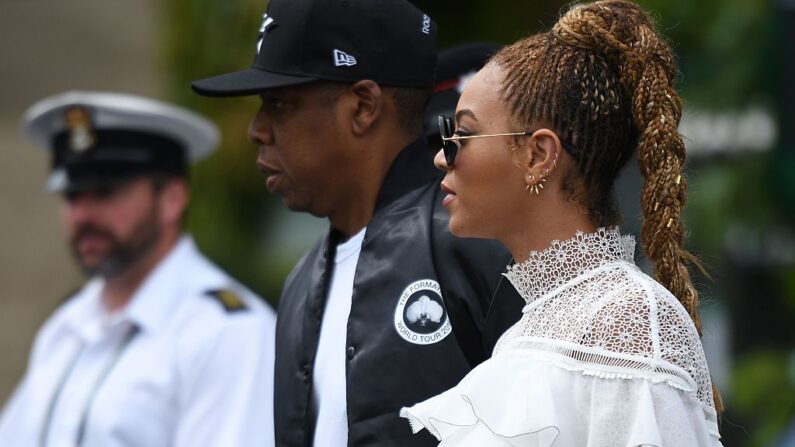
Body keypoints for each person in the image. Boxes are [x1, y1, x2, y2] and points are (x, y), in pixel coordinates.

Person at [191, 0, 517, 445]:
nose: (257, 129)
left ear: (363, 106)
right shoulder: (301, 281)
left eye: (280, 104)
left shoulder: (481, 241)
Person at [401, 1, 724, 446]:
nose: (441, 156)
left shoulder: (625, 322)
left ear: (538, 155)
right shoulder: (535, 330)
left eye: (463, 136)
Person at [0, 91, 277, 447]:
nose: (82, 215)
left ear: (171, 199)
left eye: (105, 192)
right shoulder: (66, 327)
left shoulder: (227, 333)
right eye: (71, 195)